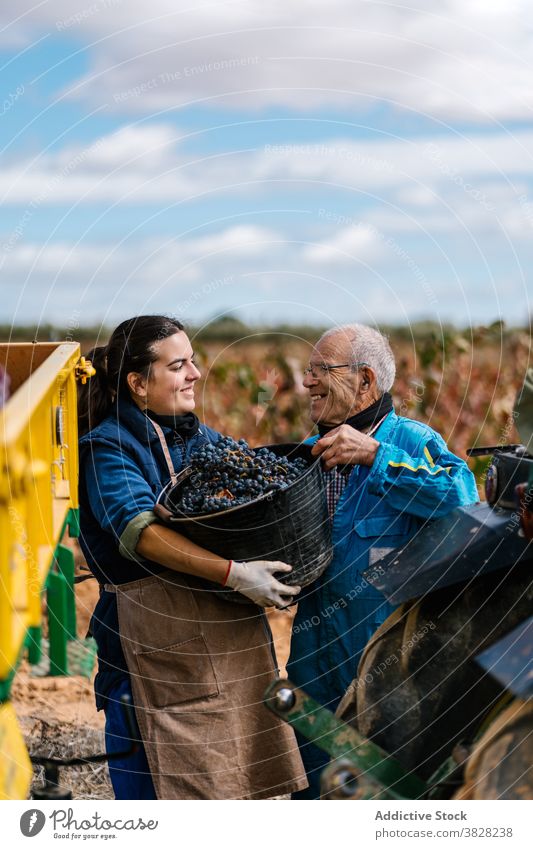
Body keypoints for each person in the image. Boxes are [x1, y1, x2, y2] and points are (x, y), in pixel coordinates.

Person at [77, 315, 307, 800]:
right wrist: (233, 573)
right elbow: (140, 533)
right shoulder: (109, 449)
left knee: (226, 790)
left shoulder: (194, 438)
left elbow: (255, 478)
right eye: (178, 365)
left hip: (222, 649)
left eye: (194, 361)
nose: (196, 374)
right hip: (151, 658)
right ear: (139, 383)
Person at [286, 323, 478, 798]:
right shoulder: (310, 453)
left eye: (319, 371)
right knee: (314, 787)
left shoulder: (410, 442)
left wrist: (376, 455)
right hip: (313, 654)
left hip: (388, 664)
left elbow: (464, 499)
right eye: (307, 371)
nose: (306, 383)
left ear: (366, 381)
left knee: (382, 792)